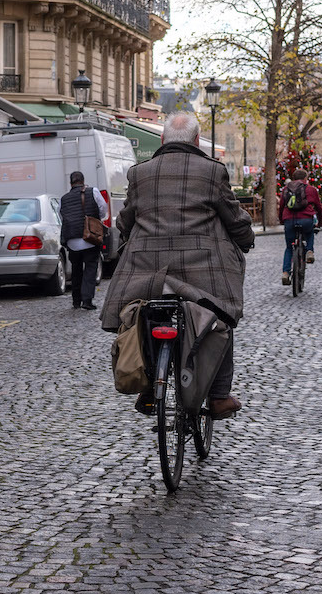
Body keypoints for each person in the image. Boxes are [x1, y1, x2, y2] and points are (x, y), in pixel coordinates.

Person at [99, 113, 255, 418]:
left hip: (148, 268)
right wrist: (245, 238)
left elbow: (126, 220)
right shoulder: (212, 172)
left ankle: (148, 388)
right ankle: (219, 396)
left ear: (162, 140)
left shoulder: (139, 173)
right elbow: (234, 218)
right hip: (203, 270)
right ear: (197, 141)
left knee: (144, 314)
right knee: (220, 316)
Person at [60, 170, 109, 310]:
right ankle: (87, 300)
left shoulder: (64, 198)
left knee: (76, 269)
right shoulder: (92, 191)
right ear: (83, 181)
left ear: (71, 183)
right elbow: (103, 209)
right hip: (90, 238)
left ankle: (76, 301)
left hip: (72, 241)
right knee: (90, 267)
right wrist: (95, 219)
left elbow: (62, 216)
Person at [276, 167, 322, 286]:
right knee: (310, 233)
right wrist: (320, 223)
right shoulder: (311, 189)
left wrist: (282, 220)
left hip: (289, 220)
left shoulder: (286, 189)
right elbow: (319, 208)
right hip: (306, 219)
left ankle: (286, 273)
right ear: (305, 179)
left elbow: (282, 206)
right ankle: (309, 251)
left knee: (289, 247)